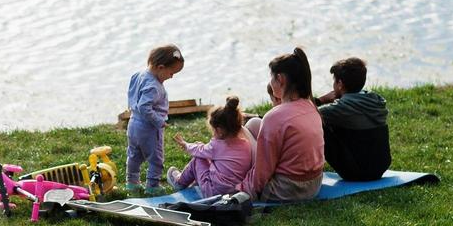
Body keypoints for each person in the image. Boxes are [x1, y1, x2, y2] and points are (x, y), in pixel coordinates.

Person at [244, 48, 324, 202]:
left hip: (286, 190)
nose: (270, 83)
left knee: (242, 134)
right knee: (254, 124)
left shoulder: (275, 117)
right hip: (314, 185)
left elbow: (263, 171)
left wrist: (245, 188)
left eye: (271, 78)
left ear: (280, 79)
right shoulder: (310, 106)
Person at [314, 56, 392, 182]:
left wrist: (321, 100)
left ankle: (306, 168)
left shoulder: (342, 108)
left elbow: (304, 112)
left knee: (315, 123)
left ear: (340, 84)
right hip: (380, 167)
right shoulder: (375, 100)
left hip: (357, 173)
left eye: (334, 82)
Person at [166, 96, 255, 196]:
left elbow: (199, 151)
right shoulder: (246, 144)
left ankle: (179, 182)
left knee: (198, 159)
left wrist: (186, 145)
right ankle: (194, 181)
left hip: (213, 192)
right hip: (235, 191)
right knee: (205, 155)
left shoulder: (217, 145)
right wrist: (201, 146)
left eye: (213, 130)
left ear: (219, 130)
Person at [125, 44, 184, 191]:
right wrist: (159, 121)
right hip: (149, 128)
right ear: (161, 67)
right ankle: (152, 186)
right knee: (156, 158)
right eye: (172, 73)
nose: (171, 77)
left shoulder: (138, 75)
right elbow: (145, 107)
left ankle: (132, 183)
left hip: (133, 124)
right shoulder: (154, 86)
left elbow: (131, 94)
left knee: (134, 154)